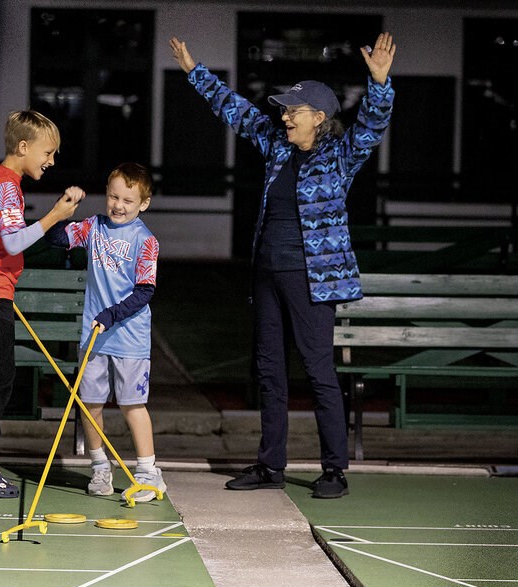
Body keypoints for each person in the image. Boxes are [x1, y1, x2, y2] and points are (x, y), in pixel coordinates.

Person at [169, 32, 396, 499]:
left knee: (318, 372)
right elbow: (236, 110)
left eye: (293, 111)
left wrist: (379, 83)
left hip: (313, 279)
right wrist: (194, 71)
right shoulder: (276, 145)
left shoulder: (339, 156)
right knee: (269, 371)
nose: (284, 116)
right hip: (267, 274)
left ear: (319, 118)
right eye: (284, 110)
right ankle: (270, 464)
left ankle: (334, 470)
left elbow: (372, 125)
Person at [0, 109, 85, 498]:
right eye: (48, 152)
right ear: (23, 147)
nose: (51, 161)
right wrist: (55, 216)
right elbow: (12, 242)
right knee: (0, 377)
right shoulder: (7, 186)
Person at [45, 162, 164, 503]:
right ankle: (100, 468)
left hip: (129, 338)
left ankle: (148, 472)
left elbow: (145, 291)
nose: (118, 205)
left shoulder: (146, 241)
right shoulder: (94, 227)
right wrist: (62, 208)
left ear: (144, 203)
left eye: (128, 200)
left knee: (132, 405)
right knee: (91, 404)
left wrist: (111, 315)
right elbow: (56, 238)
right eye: (113, 196)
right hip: (93, 337)